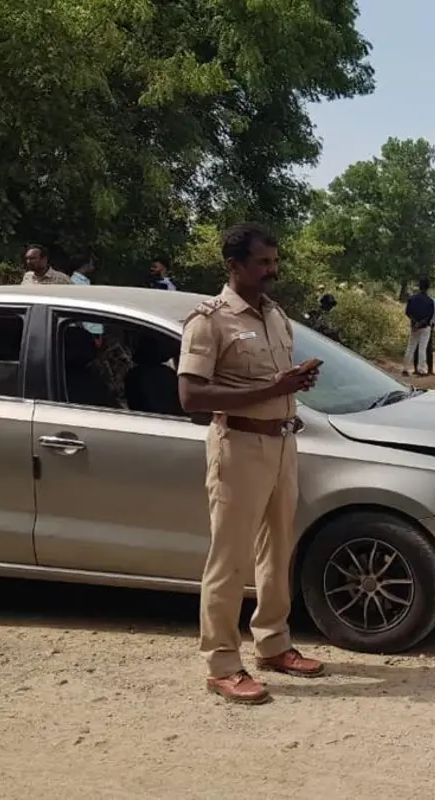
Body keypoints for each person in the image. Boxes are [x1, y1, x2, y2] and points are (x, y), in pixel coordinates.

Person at [176, 221, 324, 705]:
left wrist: (294, 382)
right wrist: (271, 390)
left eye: (275, 261)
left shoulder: (275, 314)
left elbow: (274, 380)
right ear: (233, 265)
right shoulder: (209, 319)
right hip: (238, 447)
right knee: (229, 558)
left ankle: (273, 644)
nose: (272, 271)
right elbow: (191, 395)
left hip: (282, 444)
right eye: (262, 263)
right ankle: (221, 663)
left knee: (277, 550)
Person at [402, 277, 435, 376]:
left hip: (414, 327)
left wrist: (415, 322)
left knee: (410, 347)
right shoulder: (430, 301)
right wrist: (420, 323)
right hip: (425, 327)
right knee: (422, 348)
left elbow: (407, 312)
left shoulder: (412, 299)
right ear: (428, 287)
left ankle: (405, 368)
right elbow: (429, 315)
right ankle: (421, 370)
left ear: (419, 286)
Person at [70, 261, 104, 337]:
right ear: (85, 265)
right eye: (92, 264)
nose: (93, 268)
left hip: (92, 329)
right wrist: (84, 332)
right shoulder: (75, 283)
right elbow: (75, 310)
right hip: (87, 330)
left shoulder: (85, 282)